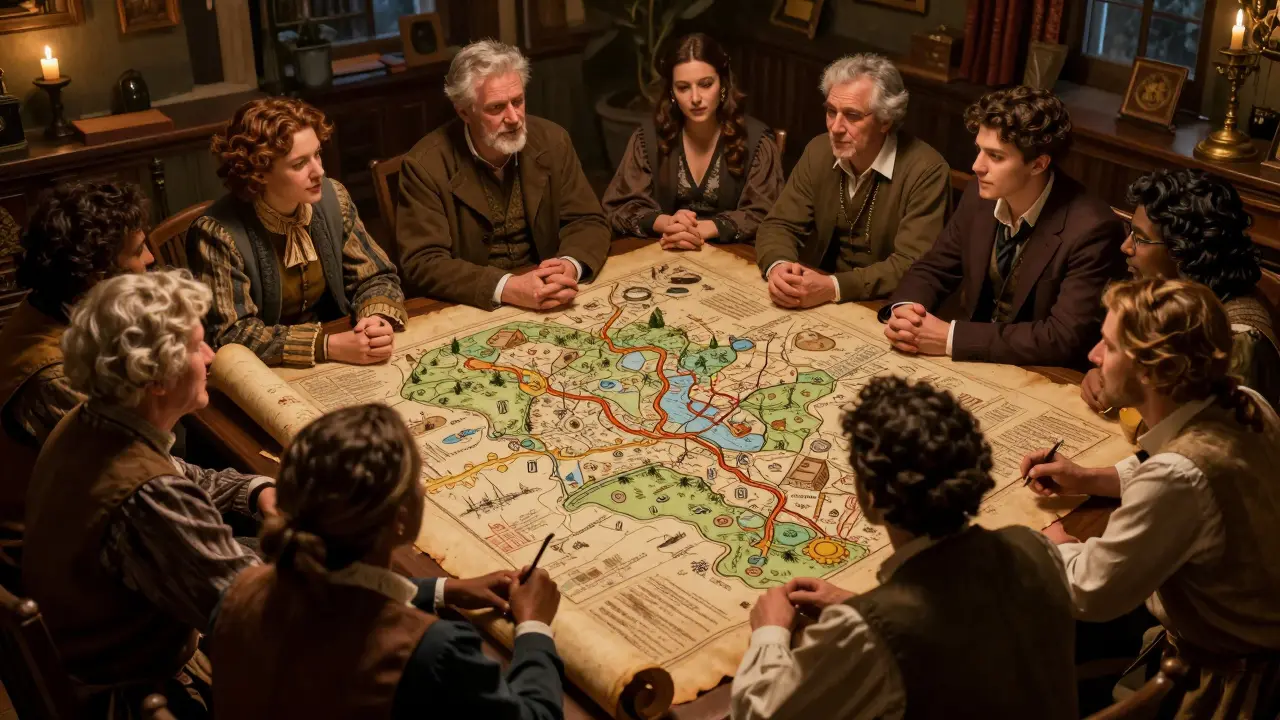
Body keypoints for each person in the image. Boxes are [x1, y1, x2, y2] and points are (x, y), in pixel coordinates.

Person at [733, 376, 1077, 720]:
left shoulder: (870, 635)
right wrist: (856, 606)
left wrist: (770, 631)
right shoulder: (1037, 546)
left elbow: (765, 715)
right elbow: (963, 631)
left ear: (871, 498)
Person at [1022, 277, 1280, 720]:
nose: (1093, 356)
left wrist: (1056, 542)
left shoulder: (1176, 478)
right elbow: (1192, 476)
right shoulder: (1244, 401)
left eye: (1108, 346)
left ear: (1152, 370)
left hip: (1226, 688)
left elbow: (1091, 592)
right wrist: (1087, 477)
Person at [22, 270, 272, 717]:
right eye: (197, 346)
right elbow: (252, 611)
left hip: (117, 641)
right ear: (156, 377)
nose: (211, 355)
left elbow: (185, 478)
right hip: (146, 692)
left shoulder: (93, 419)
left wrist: (258, 492)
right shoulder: (147, 496)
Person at [211, 404, 564, 718]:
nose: (423, 488)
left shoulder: (237, 592)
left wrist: (443, 589)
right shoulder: (431, 651)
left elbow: (336, 595)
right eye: (416, 480)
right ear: (400, 518)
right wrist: (534, 625)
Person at [882, 86, 1126, 367]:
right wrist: (905, 312)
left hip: (1041, 374)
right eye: (979, 150)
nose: (976, 166)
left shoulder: (1092, 230)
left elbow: (1063, 337)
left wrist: (950, 336)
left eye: (995, 156)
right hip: (976, 364)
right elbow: (935, 267)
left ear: (1038, 165)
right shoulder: (980, 194)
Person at [188, 97, 407, 369]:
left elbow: (375, 275)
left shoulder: (332, 198)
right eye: (299, 163)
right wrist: (326, 346)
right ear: (259, 173)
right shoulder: (217, 233)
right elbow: (233, 335)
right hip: (267, 372)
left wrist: (374, 319)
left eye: (317, 154)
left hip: (345, 353)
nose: (319, 171)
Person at [395, 39, 610, 311]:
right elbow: (423, 262)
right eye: (496, 108)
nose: (514, 118)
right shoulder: (424, 165)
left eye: (518, 101)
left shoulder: (553, 141)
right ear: (464, 112)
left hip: (548, 288)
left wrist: (569, 265)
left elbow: (588, 220)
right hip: (475, 304)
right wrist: (507, 287)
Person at [0, 182, 154, 541]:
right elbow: (139, 474)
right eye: (139, 250)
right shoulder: (53, 374)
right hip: (60, 550)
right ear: (95, 275)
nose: (150, 259)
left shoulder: (56, 306)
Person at [754, 53, 949, 307]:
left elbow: (911, 264)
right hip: (821, 294)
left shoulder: (927, 171)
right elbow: (779, 224)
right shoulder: (819, 150)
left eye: (852, 115)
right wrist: (778, 266)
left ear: (885, 120)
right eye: (831, 112)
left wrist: (833, 287)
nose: (835, 127)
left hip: (888, 306)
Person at [1079, 169, 1279, 411]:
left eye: (1140, 238)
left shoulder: (1238, 341)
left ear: (1182, 252)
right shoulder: (1175, 303)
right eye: (1130, 232)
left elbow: (1206, 436)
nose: (1126, 246)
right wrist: (1106, 378)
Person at [601, 33, 783, 249]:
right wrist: (668, 223)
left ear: (723, 84)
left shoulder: (756, 141)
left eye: (706, 84)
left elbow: (767, 213)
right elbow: (618, 206)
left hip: (734, 256)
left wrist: (708, 228)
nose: (695, 98)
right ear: (671, 93)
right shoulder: (648, 139)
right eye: (683, 87)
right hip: (667, 247)